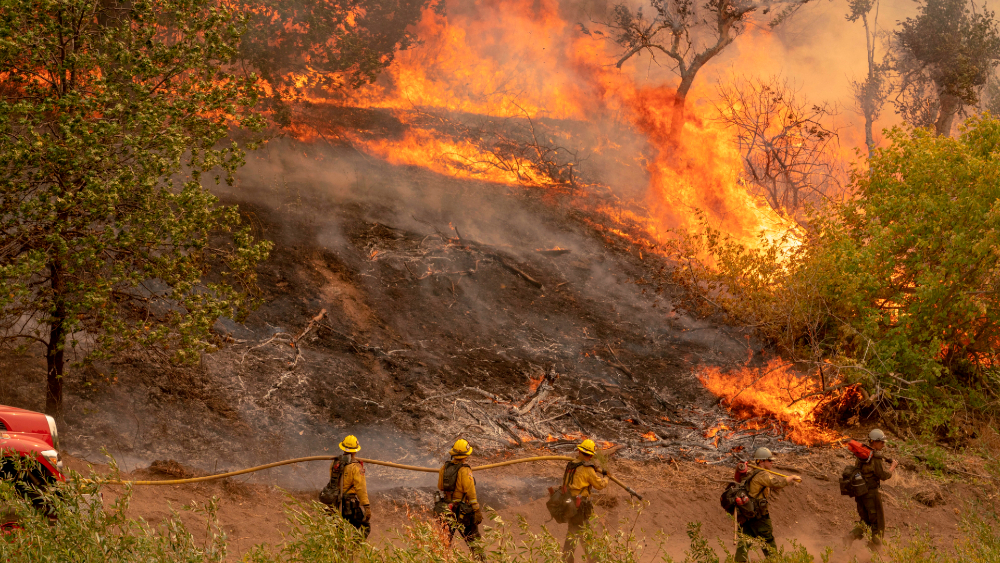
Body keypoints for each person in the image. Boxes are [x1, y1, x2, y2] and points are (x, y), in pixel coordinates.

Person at [735, 447, 802, 563]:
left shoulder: (753, 473)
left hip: (749, 514)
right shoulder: (762, 475)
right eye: (769, 460)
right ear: (761, 461)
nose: (772, 462)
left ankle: (739, 560)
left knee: (746, 539)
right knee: (768, 540)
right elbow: (776, 483)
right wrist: (791, 477)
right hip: (759, 515)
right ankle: (774, 561)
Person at [847, 429, 897, 546]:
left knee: (865, 521)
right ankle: (874, 552)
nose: (883, 445)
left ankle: (850, 537)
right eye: (881, 442)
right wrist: (892, 467)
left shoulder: (862, 455)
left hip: (860, 493)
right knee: (878, 524)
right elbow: (883, 475)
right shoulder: (875, 457)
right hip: (871, 494)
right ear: (874, 442)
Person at [562, 438, 608, 563]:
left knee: (574, 531)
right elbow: (599, 485)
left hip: (569, 503)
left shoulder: (571, 464)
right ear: (591, 455)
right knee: (583, 533)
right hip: (580, 506)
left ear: (579, 451)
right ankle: (592, 560)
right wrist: (606, 477)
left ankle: (567, 559)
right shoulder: (588, 469)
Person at [438, 439, 485, 561]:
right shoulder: (465, 469)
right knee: (474, 542)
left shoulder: (444, 467)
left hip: (446, 509)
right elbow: (470, 491)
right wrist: (476, 510)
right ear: (466, 454)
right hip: (463, 511)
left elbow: (440, 486)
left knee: (444, 543)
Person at [335, 435, 371, 538]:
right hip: (349, 505)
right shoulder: (356, 467)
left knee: (339, 532)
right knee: (364, 528)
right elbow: (361, 488)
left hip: (336, 504)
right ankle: (352, 551)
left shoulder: (335, 463)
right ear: (355, 450)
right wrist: (366, 506)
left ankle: (338, 552)